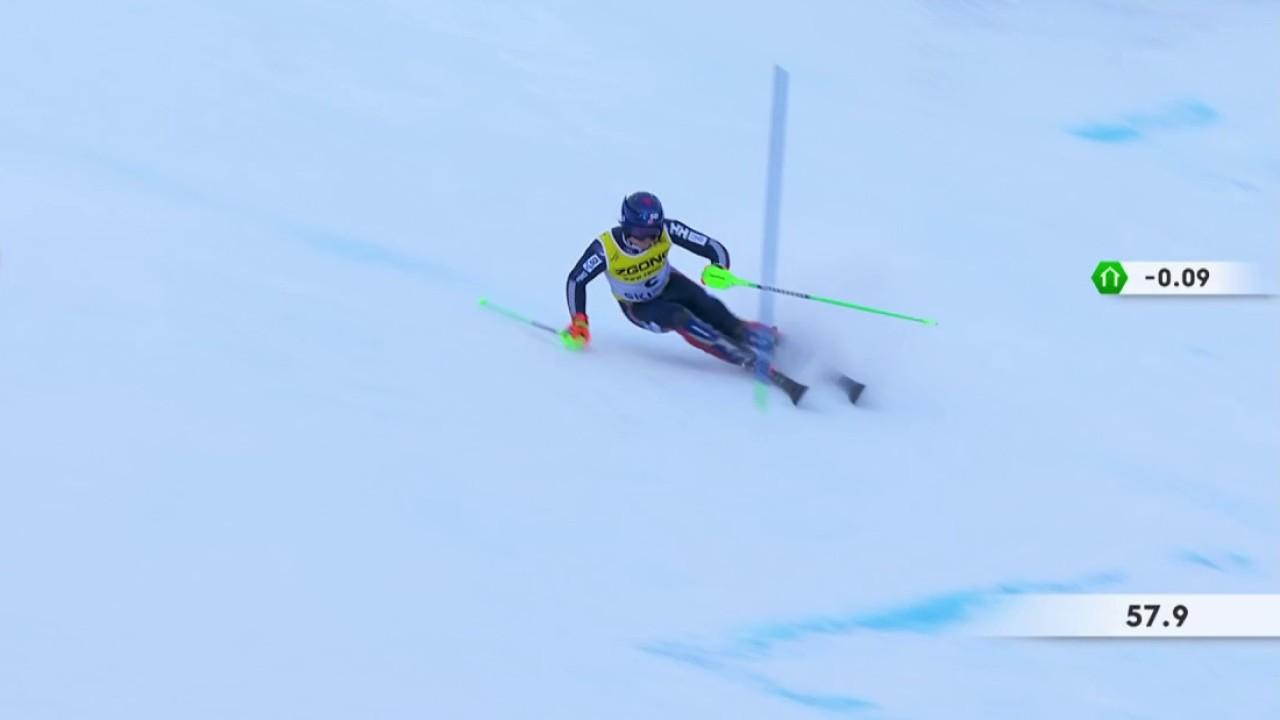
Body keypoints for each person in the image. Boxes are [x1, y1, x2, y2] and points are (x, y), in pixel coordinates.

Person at [563, 191, 778, 369]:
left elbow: (713, 247)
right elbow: (576, 281)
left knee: (708, 306)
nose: (648, 240)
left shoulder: (668, 229)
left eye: (653, 233)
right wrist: (579, 320)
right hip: (639, 306)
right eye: (640, 232)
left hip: (669, 283)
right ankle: (737, 354)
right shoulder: (605, 249)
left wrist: (718, 268)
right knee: (680, 317)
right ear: (626, 226)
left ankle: (749, 334)